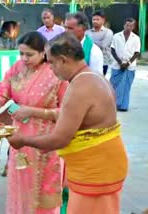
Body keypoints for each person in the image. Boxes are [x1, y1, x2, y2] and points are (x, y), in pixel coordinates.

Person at [7, 32, 128, 213]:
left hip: (95, 171)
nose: (51, 69)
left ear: (63, 60)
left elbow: (59, 140)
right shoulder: (95, 77)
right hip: (106, 166)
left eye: (52, 62)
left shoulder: (79, 87)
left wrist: (23, 140)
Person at [0, 31, 68, 214]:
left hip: (46, 143)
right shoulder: (17, 68)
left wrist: (33, 112)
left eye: (29, 54)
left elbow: (67, 112)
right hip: (19, 140)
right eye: (21, 53)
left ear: (43, 52)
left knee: (43, 192)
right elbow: (2, 91)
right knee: (19, 186)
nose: (24, 58)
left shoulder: (56, 73)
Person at [110, 17, 141, 112]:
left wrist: (128, 63)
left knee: (126, 86)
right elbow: (112, 50)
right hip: (117, 65)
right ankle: (112, 105)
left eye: (131, 26)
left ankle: (123, 106)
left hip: (130, 67)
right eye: (127, 25)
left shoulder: (136, 38)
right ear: (124, 25)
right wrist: (120, 62)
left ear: (133, 27)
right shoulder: (116, 36)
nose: (128, 27)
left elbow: (137, 53)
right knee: (113, 85)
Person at [86, 10, 114, 76]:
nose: (95, 21)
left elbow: (103, 45)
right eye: (93, 19)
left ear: (103, 20)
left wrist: (90, 43)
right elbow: (85, 44)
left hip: (103, 62)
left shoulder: (108, 32)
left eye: (97, 19)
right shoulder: (87, 32)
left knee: (99, 81)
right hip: (88, 61)